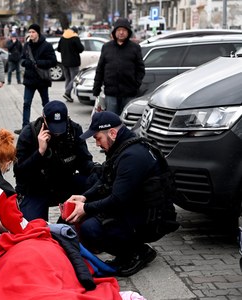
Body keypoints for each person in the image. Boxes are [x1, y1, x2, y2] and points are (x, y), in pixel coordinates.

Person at [65, 111, 179, 277]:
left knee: (90, 228)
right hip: (138, 208)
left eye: (98, 138)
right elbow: (105, 179)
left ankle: (137, 252)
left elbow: (118, 199)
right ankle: (127, 251)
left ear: (112, 133)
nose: (97, 144)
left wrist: (86, 209)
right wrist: (85, 197)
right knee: (89, 217)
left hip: (151, 220)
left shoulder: (132, 156)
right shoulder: (122, 146)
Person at [13, 100, 96, 221]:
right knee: (32, 228)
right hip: (36, 188)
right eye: (53, 127)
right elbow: (19, 172)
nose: (57, 132)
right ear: (44, 119)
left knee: (94, 180)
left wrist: (98, 169)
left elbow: (84, 162)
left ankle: (67, 222)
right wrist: (40, 152)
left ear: (67, 118)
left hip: (64, 183)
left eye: (60, 126)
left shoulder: (74, 130)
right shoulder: (29, 133)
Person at [92, 19, 145, 115]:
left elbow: (140, 69)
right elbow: (100, 69)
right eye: (119, 30)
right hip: (111, 93)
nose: (121, 32)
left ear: (128, 32)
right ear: (114, 32)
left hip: (129, 93)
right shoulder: (107, 47)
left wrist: (135, 85)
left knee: (127, 121)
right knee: (111, 121)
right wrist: (96, 88)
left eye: (124, 30)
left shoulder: (135, 48)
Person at [15, 23, 56, 134]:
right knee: (26, 103)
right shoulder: (27, 45)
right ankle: (25, 127)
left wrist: (38, 63)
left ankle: (50, 125)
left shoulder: (46, 45)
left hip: (42, 79)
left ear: (38, 33)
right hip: (29, 79)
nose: (31, 34)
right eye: (30, 32)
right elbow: (21, 59)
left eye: (33, 32)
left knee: (46, 104)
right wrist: (25, 63)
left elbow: (53, 61)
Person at [57, 26, 84, 102]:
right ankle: (67, 92)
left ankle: (68, 95)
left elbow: (58, 49)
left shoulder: (63, 37)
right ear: (75, 32)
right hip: (74, 62)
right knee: (74, 78)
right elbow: (81, 49)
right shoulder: (75, 37)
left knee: (68, 78)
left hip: (64, 62)